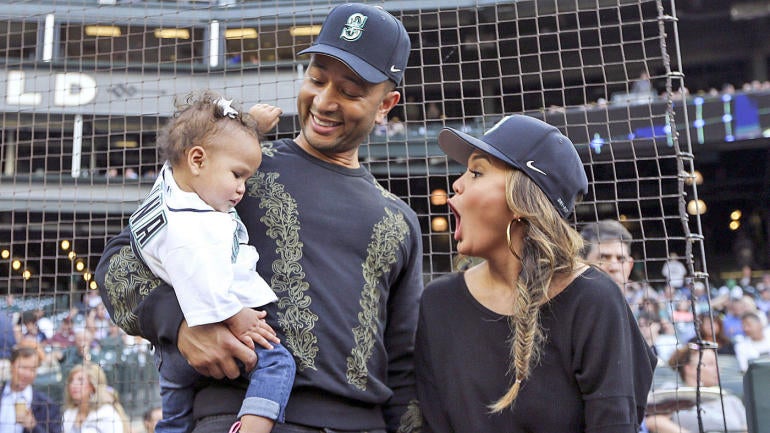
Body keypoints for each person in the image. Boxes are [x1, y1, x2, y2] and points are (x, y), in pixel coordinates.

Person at [95, 3, 422, 433]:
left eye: (350, 91)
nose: (324, 101)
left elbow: (403, 368)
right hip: (232, 414)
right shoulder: (237, 171)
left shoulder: (399, 220)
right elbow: (118, 265)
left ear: (386, 104)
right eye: (316, 79)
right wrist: (181, 326)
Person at [415, 114, 657, 432]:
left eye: (476, 172)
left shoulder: (593, 299)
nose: (457, 185)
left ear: (521, 201)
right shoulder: (438, 302)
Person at [128, 91, 295, 433]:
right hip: (216, 327)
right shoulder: (193, 229)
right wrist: (237, 316)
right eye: (237, 174)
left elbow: (206, 145)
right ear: (197, 160)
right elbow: (203, 282)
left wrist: (251, 128)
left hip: (170, 356)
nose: (241, 188)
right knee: (278, 364)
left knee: (174, 419)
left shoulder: (172, 185)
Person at [644, 345, 747, 433]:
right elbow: (654, 422)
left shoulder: (730, 400)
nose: (718, 369)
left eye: (717, 364)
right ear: (689, 368)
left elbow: (746, 428)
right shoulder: (673, 392)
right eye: (710, 364)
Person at [0, 346, 61, 433]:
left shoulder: (47, 405)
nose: (27, 374)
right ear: (11, 366)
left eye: (32, 370)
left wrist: (33, 427)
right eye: (23, 367)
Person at [579, 219, 639, 302]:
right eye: (603, 258)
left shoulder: (644, 301)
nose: (614, 267)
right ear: (581, 264)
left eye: (621, 259)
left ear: (630, 266)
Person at [61, 363, 130, 433]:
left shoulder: (107, 414)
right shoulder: (68, 414)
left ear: (93, 386)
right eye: (71, 380)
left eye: (80, 380)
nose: (73, 385)